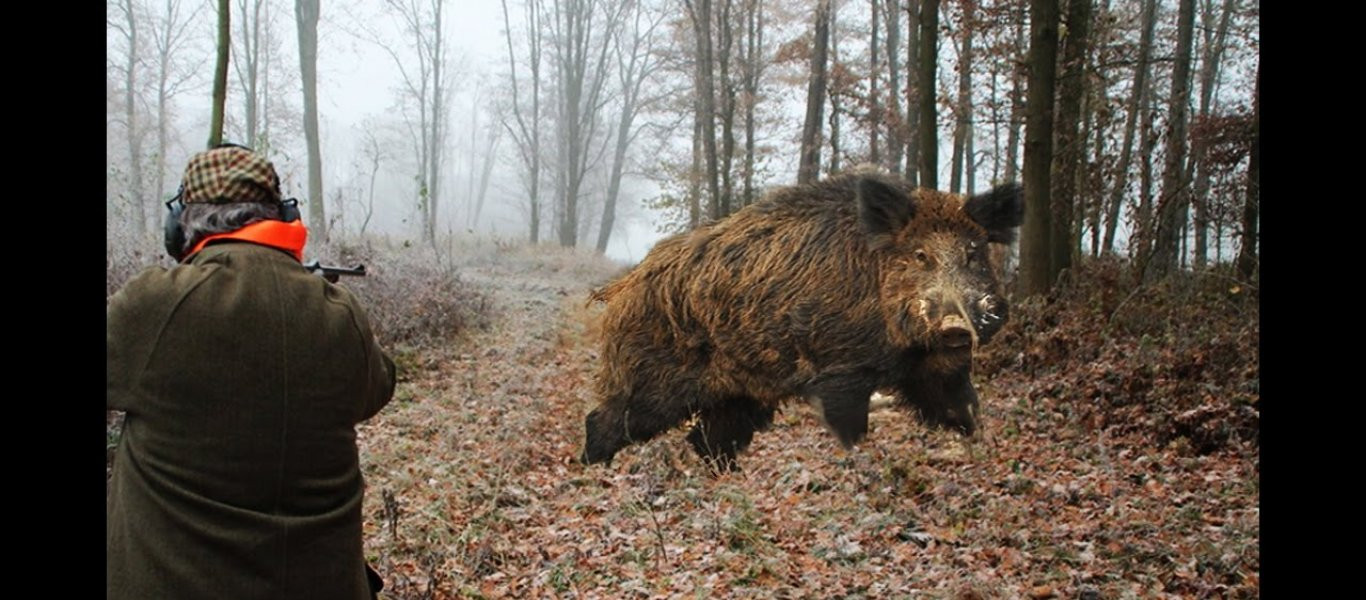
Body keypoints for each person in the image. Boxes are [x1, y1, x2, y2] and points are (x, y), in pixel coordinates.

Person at [107, 144, 396, 599]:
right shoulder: (339, 316)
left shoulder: (152, 305)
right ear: (280, 214)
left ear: (179, 225)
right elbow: (378, 387)